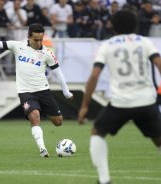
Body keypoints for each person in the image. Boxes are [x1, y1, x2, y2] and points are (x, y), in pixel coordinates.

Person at [0, 23, 74, 157]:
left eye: (41, 39)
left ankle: (42, 110)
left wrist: (66, 92)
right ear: (28, 37)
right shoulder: (18, 46)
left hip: (43, 91)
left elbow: (58, 73)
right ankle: (42, 149)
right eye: (36, 40)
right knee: (35, 117)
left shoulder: (47, 53)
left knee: (58, 122)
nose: (39, 43)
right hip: (25, 91)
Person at [78, 10, 161, 184]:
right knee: (158, 139)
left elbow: (94, 76)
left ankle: (104, 180)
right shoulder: (145, 42)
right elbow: (159, 64)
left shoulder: (108, 45)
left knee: (97, 133)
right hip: (146, 101)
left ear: (113, 26)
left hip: (120, 103)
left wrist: (85, 106)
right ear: (135, 25)